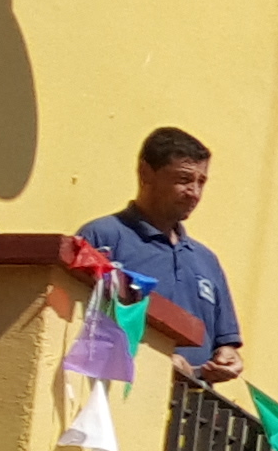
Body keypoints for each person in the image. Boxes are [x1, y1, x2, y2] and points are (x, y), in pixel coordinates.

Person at [81, 125, 246, 388]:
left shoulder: (206, 261)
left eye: (201, 182)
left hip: (192, 416)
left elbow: (225, 344)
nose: (194, 192)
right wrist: (156, 361)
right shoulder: (104, 237)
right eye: (183, 179)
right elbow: (82, 324)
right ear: (146, 173)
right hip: (121, 401)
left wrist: (228, 358)